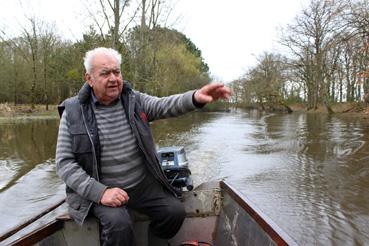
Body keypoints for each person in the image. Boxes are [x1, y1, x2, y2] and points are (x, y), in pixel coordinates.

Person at [55, 47, 231, 246]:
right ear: (89, 78)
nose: (113, 78)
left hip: (141, 185)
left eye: (117, 72)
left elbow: (164, 105)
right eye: (105, 73)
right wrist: (100, 193)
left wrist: (195, 97)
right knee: (119, 225)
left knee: (174, 212)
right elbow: (64, 164)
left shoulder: (133, 100)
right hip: (101, 188)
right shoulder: (73, 112)